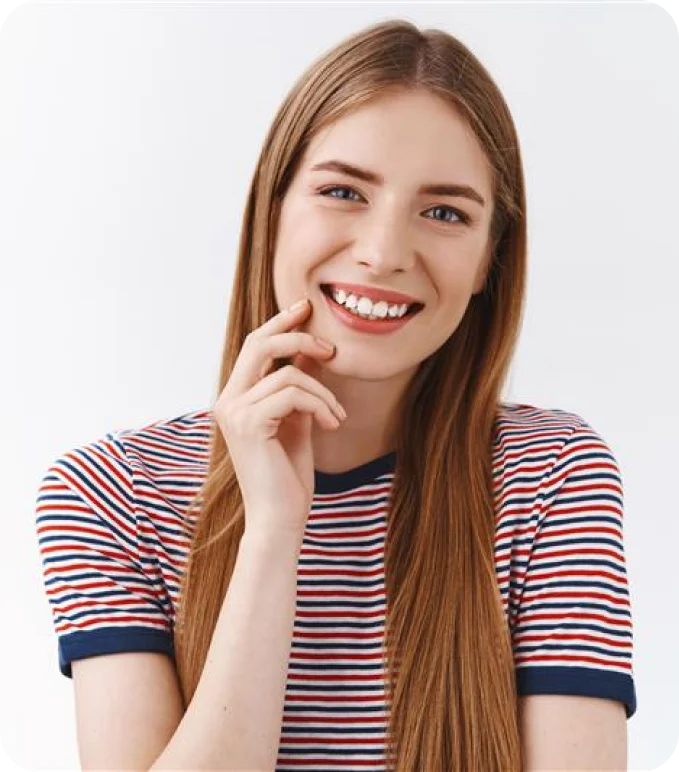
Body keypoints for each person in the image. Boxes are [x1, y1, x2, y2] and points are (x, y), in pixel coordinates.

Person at [34, 18, 636, 772]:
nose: (383, 253)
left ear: (488, 262)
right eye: (343, 191)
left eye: (445, 212)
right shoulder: (109, 494)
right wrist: (272, 534)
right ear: (273, 211)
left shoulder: (547, 474)